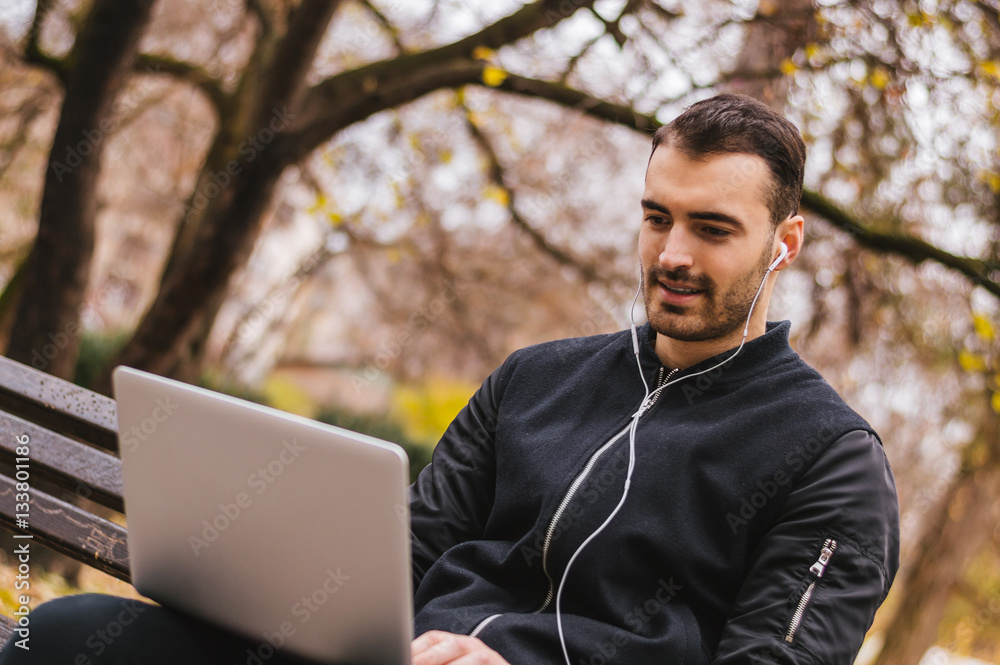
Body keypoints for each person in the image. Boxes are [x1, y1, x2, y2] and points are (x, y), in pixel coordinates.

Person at [0, 93, 899, 665]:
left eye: (712, 228)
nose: (670, 253)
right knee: (60, 637)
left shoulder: (830, 462)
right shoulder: (536, 379)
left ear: (785, 245)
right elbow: (408, 552)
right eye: (656, 216)